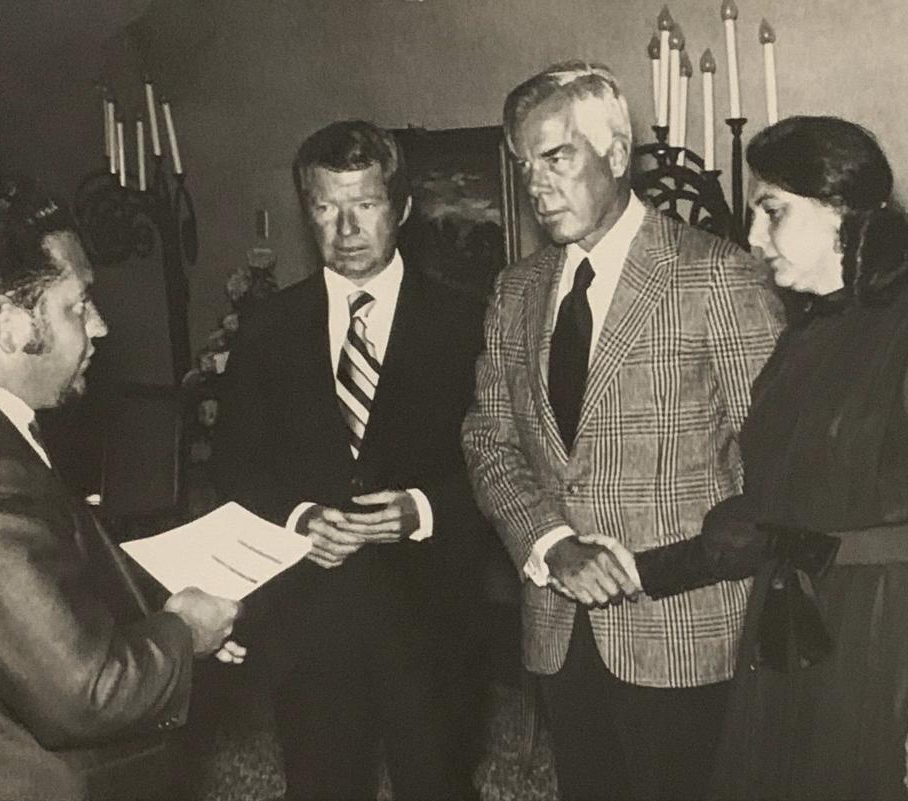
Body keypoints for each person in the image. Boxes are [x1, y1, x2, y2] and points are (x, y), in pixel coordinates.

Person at [460, 62, 784, 801]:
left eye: (556, 157)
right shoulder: (516, 291)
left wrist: (668, 565)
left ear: (615, 153)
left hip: (688, 634)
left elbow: (775, 470)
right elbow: (489, 442)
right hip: (558, 630)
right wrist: (549, 542)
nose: (536, 185)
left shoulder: (719, 278)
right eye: (523, 165)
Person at [585, 115, 908, 801]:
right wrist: (641, 569)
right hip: (794, 628)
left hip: (884, 637)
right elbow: (770, 513)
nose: (755, 239)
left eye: (772, 212)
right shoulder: (805, 334)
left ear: (840, 207)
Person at [0, 172, 244, 800]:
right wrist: (183, 633)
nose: (101, 327)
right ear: (7, 323)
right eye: (78, 306)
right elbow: (85, 690)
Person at [213, 120, 485, 800]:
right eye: (325, 207)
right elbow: (235, 466)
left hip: (432, 618)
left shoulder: (469, 324)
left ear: (401, 208)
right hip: (310, 624)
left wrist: (419, 509)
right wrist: (299, 516)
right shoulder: (267, 327)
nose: (345, 227)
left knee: (439, 784)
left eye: (363, 203)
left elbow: (502, 466)